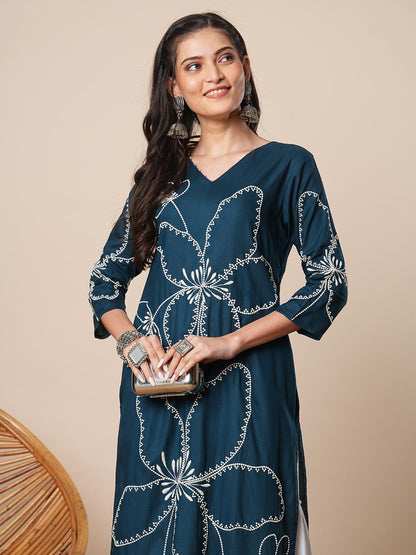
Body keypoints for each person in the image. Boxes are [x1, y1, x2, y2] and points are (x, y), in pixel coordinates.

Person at [88, 12, 347, 554]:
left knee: (249, 523)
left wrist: (230, 342)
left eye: (225, 58)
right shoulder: (160, 175)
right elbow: (104, 283)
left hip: (251, 381)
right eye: (194, 65)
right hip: (162, 388)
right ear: (173, 86)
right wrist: (133, 343)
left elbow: (328, 283)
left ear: (245, 67)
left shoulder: (288, 165)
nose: (213, 75)